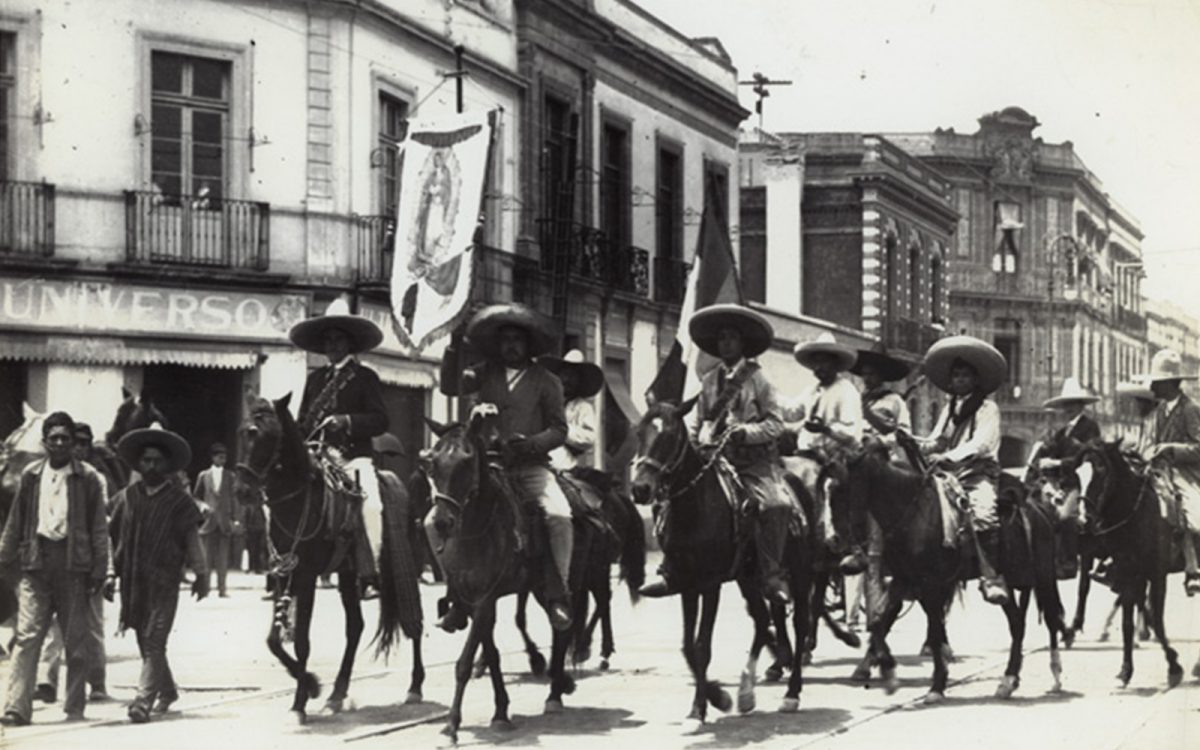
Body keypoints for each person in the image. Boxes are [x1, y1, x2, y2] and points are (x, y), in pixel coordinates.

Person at [641, 304, 798, 605]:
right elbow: (699, 421)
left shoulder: (759, 380)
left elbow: (776, 423)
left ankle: (772, 573)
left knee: (775, 505)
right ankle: (670, 568)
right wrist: (698, 439)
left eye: (731, 338)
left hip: (753, 463)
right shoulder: (709, 381)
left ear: (742, 344)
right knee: (670, 497)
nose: (725, 343)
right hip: (714, 459)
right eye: (721, 338)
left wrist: (744, 432)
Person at [438, 303, 574, 631]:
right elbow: (448, 385)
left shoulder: (547, 381)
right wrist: (453, 345)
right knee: (436, 519)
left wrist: (530, 443)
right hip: (486, 467)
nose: (510, 345)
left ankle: (559, 594)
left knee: (559, 516)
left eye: (517, 339)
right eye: (505, 339)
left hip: (530, 468)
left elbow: (559, 430)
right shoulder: (484, 373)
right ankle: (455, 593)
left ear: (528, 344)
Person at [0, 412, 109, 727]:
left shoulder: (87, 478)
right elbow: (16, 522)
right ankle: (17, 707)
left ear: (73, 443)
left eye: (65, 438)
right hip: (36, 562)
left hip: (74, 567)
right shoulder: (31, 476)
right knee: (27, 636)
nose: (60, 443)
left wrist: (101, 569)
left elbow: (99, 527)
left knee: (76, 641)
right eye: (54, 438)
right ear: (45, 442)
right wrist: (4, 558)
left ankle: (74, 706)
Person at [289, 297, 389, 599]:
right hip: (317, 459)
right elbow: (303, 420)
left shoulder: (364, 377)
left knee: (371, 506)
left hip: (352, 459)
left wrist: (346, 421)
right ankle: (286, 561)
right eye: (328, 340)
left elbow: (381, 420)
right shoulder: (315, 379)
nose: (332, 345)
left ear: (350, 343)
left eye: (338, 339)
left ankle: (370, 573)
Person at [110, 426, 208, 723]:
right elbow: (111, 535)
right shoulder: (125, 498)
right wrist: (110, 574)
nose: (151, 466)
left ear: (167, 465)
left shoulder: (180, 501)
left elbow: (192, 539)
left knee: (154, 641)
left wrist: (201, 574)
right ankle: (167, 691)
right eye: (146, 460)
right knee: (144, 640)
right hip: (134, 583)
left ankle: (142, 701)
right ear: (138, 464)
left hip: (165, 583)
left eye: (157, 461)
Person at [914, 335, 1009, 606]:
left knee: (984, 513)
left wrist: (949, 457)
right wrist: (916, 443)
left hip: (978, 472)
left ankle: (991, 576)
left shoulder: (987, 408)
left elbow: (981, 443)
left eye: (965, 376)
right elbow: (937, 438)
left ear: (976, 380)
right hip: (949, 474)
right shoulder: (949, 407)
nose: (960, 380)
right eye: (956, 376)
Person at [35, 423, 112, 705]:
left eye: (83, 444)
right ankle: (47, 680)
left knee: (91, 626)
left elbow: (101, 528)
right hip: (57, 560)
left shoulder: (94, 480)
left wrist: (105, 569)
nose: (78, 448)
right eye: (75, 442)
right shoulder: (50, 475)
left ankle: (97, 681)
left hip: (89, 559)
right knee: (54, 625)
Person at [846, 342, 912, 627]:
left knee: (879, 538)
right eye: (865, 374)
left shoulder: (894, 402)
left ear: (882, 376)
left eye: (873, 374)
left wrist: (879, 438)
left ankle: (875, 613)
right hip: (856, 464)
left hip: (882, 466)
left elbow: (902, 434)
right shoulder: (854, 399)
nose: (868, 378)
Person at [788, 332, 864, 569]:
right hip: (804, 456)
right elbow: (792, 411)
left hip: (832, 458)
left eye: (825, 362)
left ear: (835, 364)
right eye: (816, 362)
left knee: (828, 489)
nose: (820, 367)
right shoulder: (812, 391)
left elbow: (852, 433)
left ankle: (832, 541)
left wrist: (827, 429)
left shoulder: (846, 390)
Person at [1140, 349, 1200, 596]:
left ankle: (1192, 568)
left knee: (1187, 509)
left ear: (1170, 383)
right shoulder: (1157, 412)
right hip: (1156, 470)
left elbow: (1198, 448)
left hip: (1184, 473)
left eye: (1157, 381)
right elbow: (1148, 443)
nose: (1152, 385)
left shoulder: (1190, 409)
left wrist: (1170, 448)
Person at [1035, 378, 1102, 525]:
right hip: (1061, 484)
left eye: (1072, 403)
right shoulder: (1062, 432)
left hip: (1079, 484)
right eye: (1066, 404)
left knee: (1064, 518)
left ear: (1081, 405)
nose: (1068, 408)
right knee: (1041, 513)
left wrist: (1056, 463)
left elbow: (1087, 458)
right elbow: (1052, 453)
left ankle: (1070, 547)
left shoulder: (1090, 427)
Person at [193, 443, 237, 597]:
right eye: (220, 457)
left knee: (223, 558)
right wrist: (203, 506)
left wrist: (235, 519)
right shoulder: (203, 476)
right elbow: (196, 497)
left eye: (224, 457)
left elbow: (234, 498)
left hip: (224, 522)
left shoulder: (230, 476)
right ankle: (205, 589)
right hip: (208, 521)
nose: (223, 460)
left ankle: (222, 589)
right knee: (206, 557)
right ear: (213, 458)